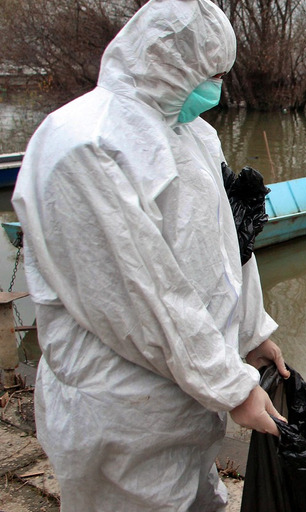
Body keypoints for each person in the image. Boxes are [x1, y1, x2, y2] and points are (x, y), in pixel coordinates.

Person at [12, 1, 289, 510]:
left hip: (189, 396)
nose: (216, 88)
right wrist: (231, 387)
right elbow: (140, 296)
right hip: (123, 409)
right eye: (211, 74)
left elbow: (228, 250)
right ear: (170, 62)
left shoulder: (194, 134)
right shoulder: (84, 143)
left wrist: (252, 332)